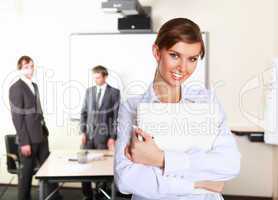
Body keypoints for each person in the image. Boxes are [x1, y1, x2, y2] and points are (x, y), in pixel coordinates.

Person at [114, 18, 241, 200]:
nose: (182, 68)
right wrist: (200, 183)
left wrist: (160, 159)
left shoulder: (207, 101)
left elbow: (229, 164)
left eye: (192, 59)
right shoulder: (132, 107)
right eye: (174, 55)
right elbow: (127, 181)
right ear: (157, 52)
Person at [9, 56, 62, 200]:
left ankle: (54, 197)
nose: (30, 69)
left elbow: (38, 110)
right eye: (26, 66)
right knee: (26, 175)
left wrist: (44, 128)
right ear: (19, 69)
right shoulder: (16, 88)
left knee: (48, 170)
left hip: (41, 135)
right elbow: (17, 118)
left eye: (32, 66)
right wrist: (24, 142)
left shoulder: (34, 85)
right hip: (28, 140)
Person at [80, 65, 120, 200]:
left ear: (105, 76)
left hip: (104, 136)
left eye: (98, 77)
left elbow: (116, 117)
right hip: (88, 135)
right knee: (83, 162)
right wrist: (82, 132)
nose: (96, 80)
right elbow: (83, 113)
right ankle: (87, 194)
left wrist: (113, 137)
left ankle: (100, 193)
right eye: (94, 77)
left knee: (101, 166)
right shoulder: (89, 92)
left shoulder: (114, 93)